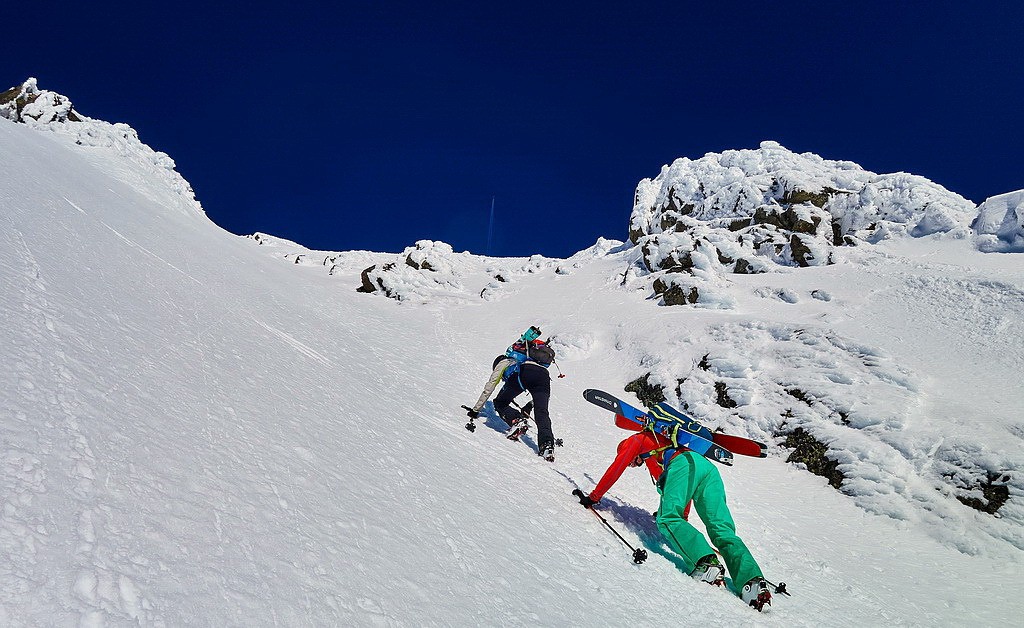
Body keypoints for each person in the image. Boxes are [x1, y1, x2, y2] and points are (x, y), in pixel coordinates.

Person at [575, 426, 773, 611]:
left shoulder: (635, 440)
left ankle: (706, 564)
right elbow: (673, 487)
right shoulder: (655, 449)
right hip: (706, 467)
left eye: (629, 461)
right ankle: (752, 582)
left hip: (684, 462)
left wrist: (594, 497)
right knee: (721, 529)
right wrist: (682, 517)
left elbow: (616, 468)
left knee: (666, 519)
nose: (630, 465)